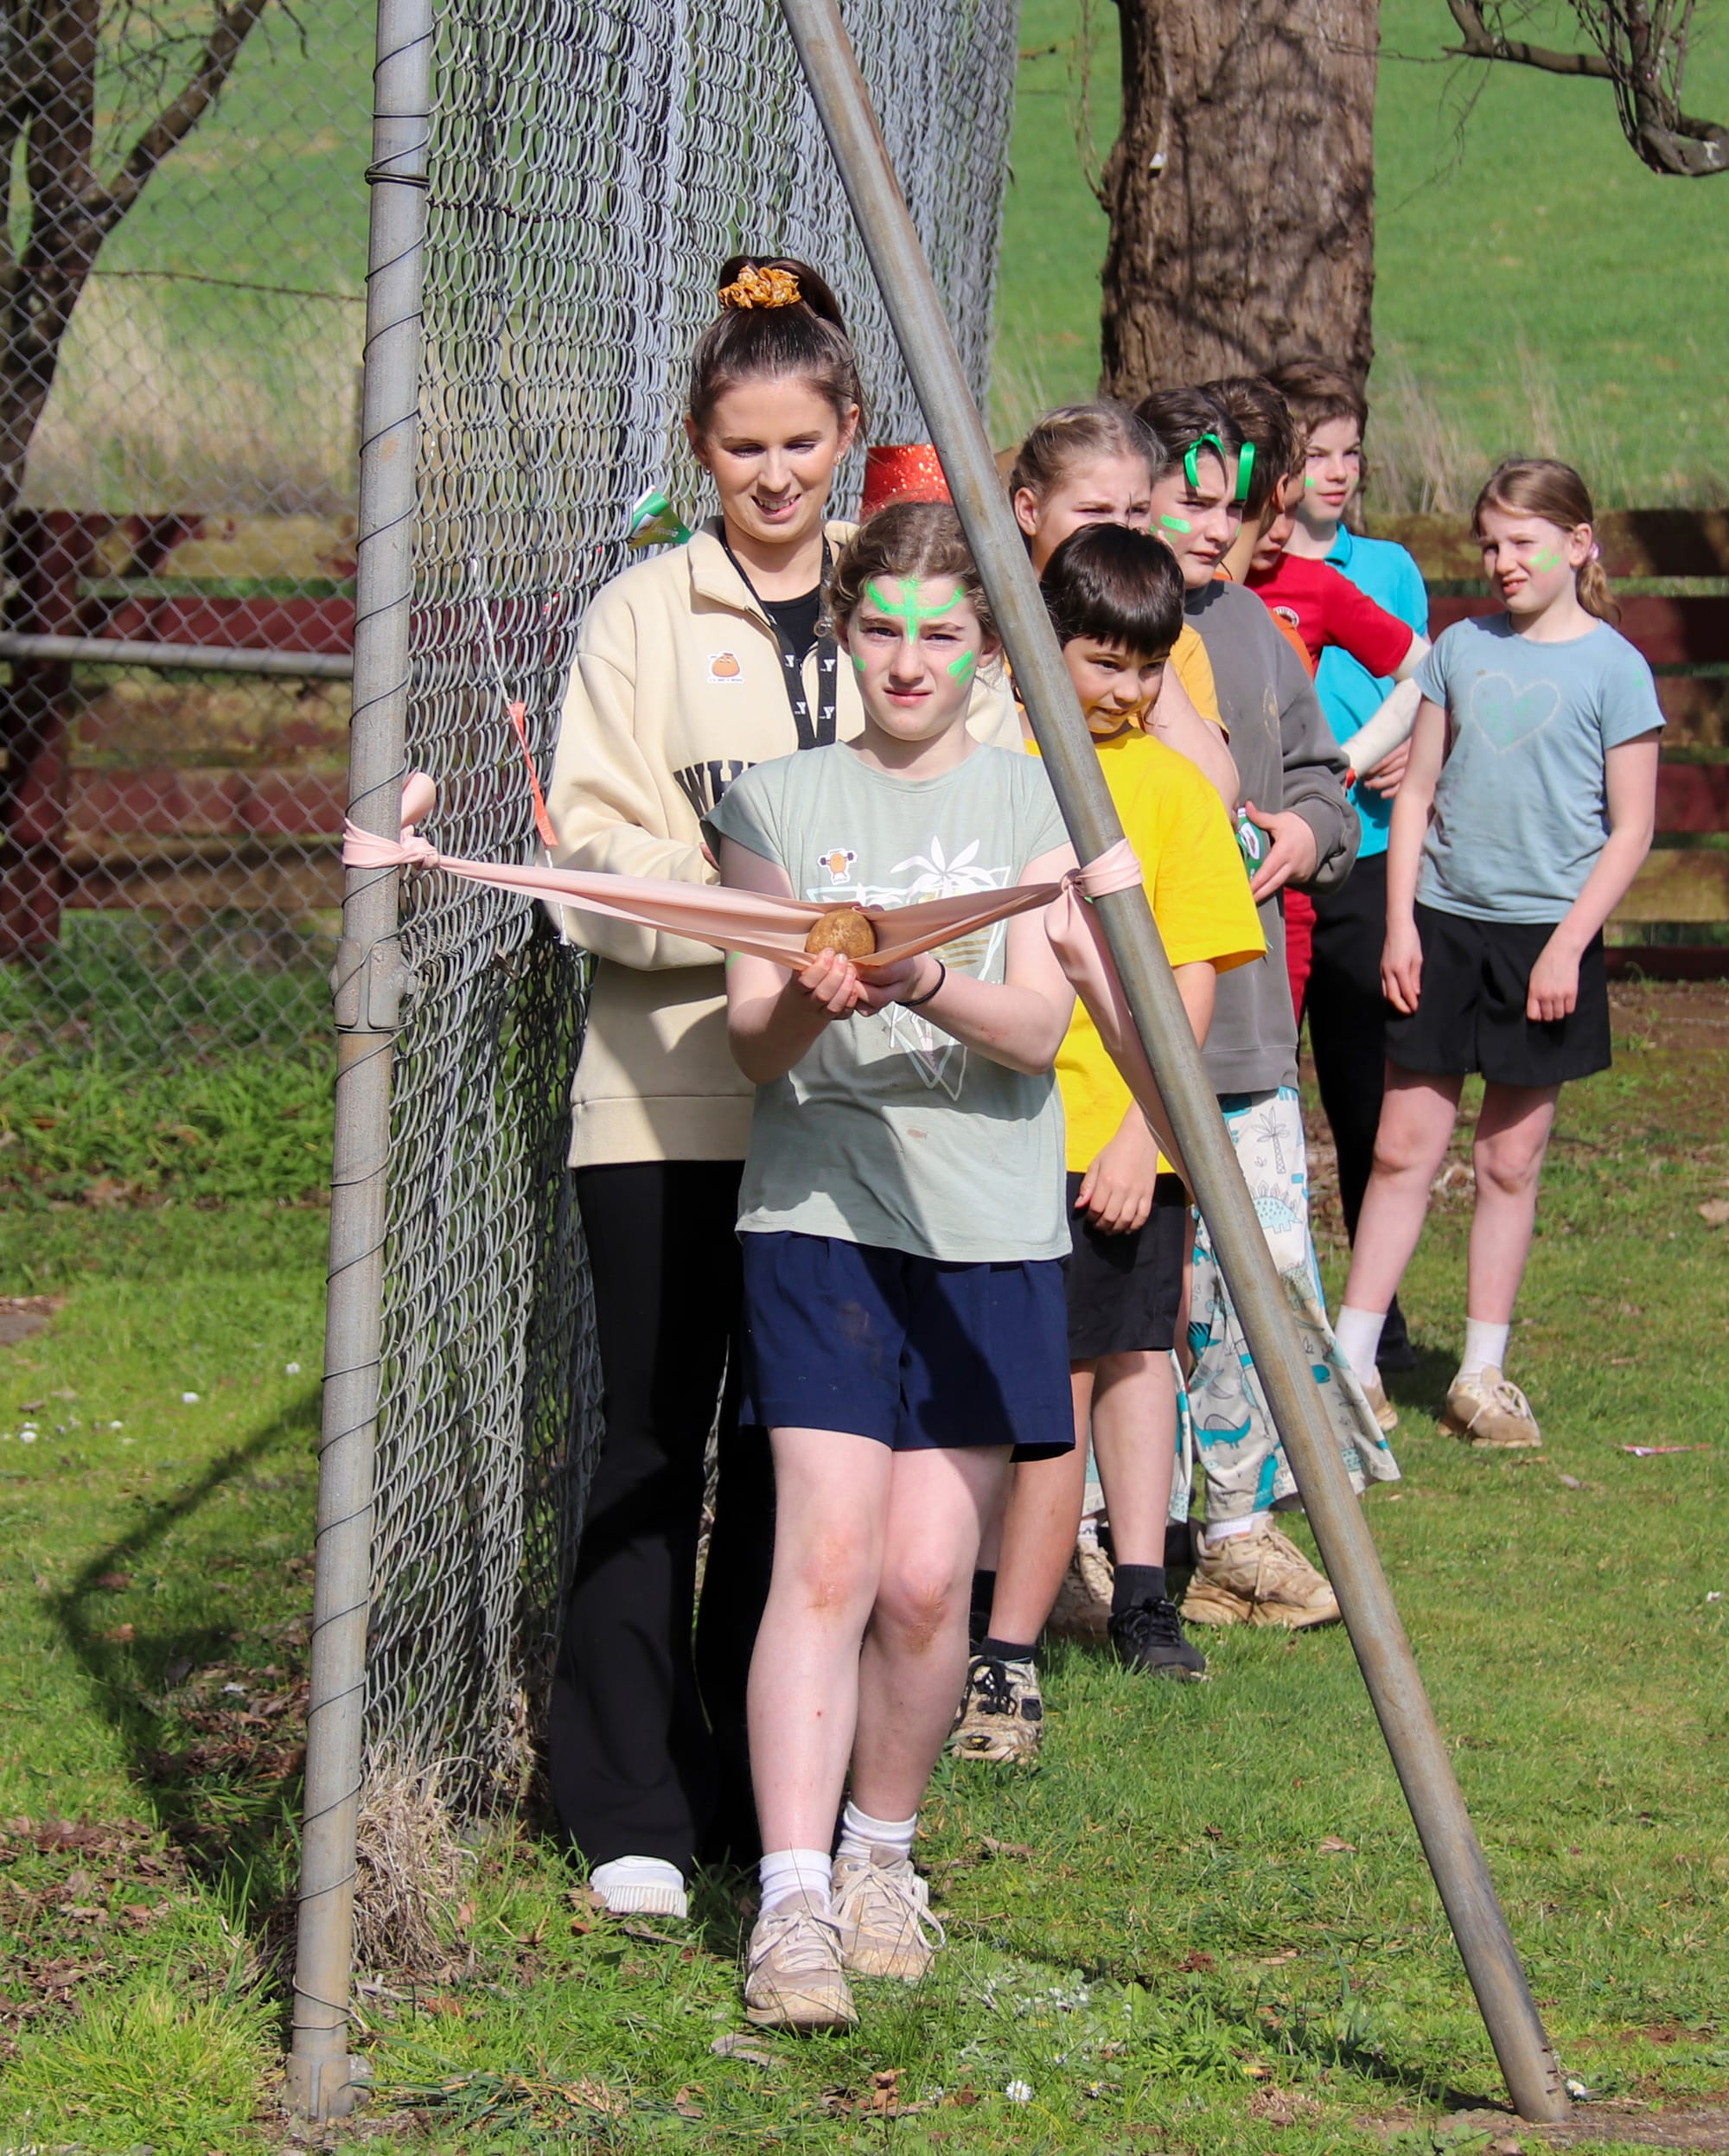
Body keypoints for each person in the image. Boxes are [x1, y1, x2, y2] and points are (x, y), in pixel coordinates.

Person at [544, 256, 1013, 1917]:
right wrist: (773, 909)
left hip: (862, 1118)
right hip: (671, 1102)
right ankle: (629, 1798)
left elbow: (984, 809)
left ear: (850, 432)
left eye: (802, 443)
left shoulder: (906, 605)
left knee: (804, 1453)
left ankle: (767, 1796)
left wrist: (889, 932)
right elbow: (593, 854)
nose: (773, 475)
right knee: (654, 1435)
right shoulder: (642, 618)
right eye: (742, 447)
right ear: (701, 445)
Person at [706, 503, 1077, 2030]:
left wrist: (918, 971)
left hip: (988, 1226)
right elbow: (754, 1041)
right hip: (823, 1214)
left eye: (941, 633)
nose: (909, 660)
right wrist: (813, 991)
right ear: (843, 633)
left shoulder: (1039, 791)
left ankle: (881, 1855)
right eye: (881, 630)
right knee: (828, 1559)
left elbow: (1039, 1029)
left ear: (985, 646)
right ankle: (791, 1901)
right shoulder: (774, 801)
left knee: (928, 1583)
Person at [949, 524, 1265, 1763]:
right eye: (1102, 661)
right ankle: (996, 1614)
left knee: (1122, 1360)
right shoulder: (995, 767)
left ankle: (1123, 1597)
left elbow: (1190, 981)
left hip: (1120, 1136)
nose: (1128, 691)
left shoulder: (1174, 793)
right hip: (1004, 1133)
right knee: (1042, 1382)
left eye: (1148, 666)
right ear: (1041, 646)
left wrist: (1144, 1131)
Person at [1134, 387, 1398, 1627]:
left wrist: (1305, 834)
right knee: (1132, 1299)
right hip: (1112, 1038)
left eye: (1230, 504)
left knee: (1260, 1279)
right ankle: (1112, 1537)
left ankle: (1238, 1527)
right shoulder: (1073, 622)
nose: (1214, 526)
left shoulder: (1251, 629)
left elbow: (1323, 785)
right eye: (1189, 501)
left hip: (1243, 1035)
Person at [1334, 459, 1661, 1449]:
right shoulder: (1457, 651)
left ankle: (1478, 1374)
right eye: (1489, 543)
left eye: (1522, 542)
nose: (1501, 561)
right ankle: (1348, 1365)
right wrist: (1399, 925)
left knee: (1506, 1161)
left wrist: (1566, 947)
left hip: (1546, 941)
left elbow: (1631, 828)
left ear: (1577, 543)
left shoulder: (1615, 669)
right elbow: (1415, 792)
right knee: (1401, 1149)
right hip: (1441, 926)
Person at [1266, 358, 1432, 1379]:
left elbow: (1423, 678)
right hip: (1267, 863)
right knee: (1259, 1085)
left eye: (1348, 452)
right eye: (1314, 454)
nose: (1334, 472)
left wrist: (1378, 755)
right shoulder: (1245, 576)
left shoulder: (1385, 569)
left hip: (1364, 855)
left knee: (1362, 1092)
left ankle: (1377, 1318)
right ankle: (1263, 1306)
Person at [1006, 403, 1239, 808]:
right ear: (1030, 511)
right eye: (1095, 511)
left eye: (1138, 512)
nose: (1120, 529)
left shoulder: (1178, 646)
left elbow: (1214, 796)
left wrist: (1145, 632)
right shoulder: (988, 639)